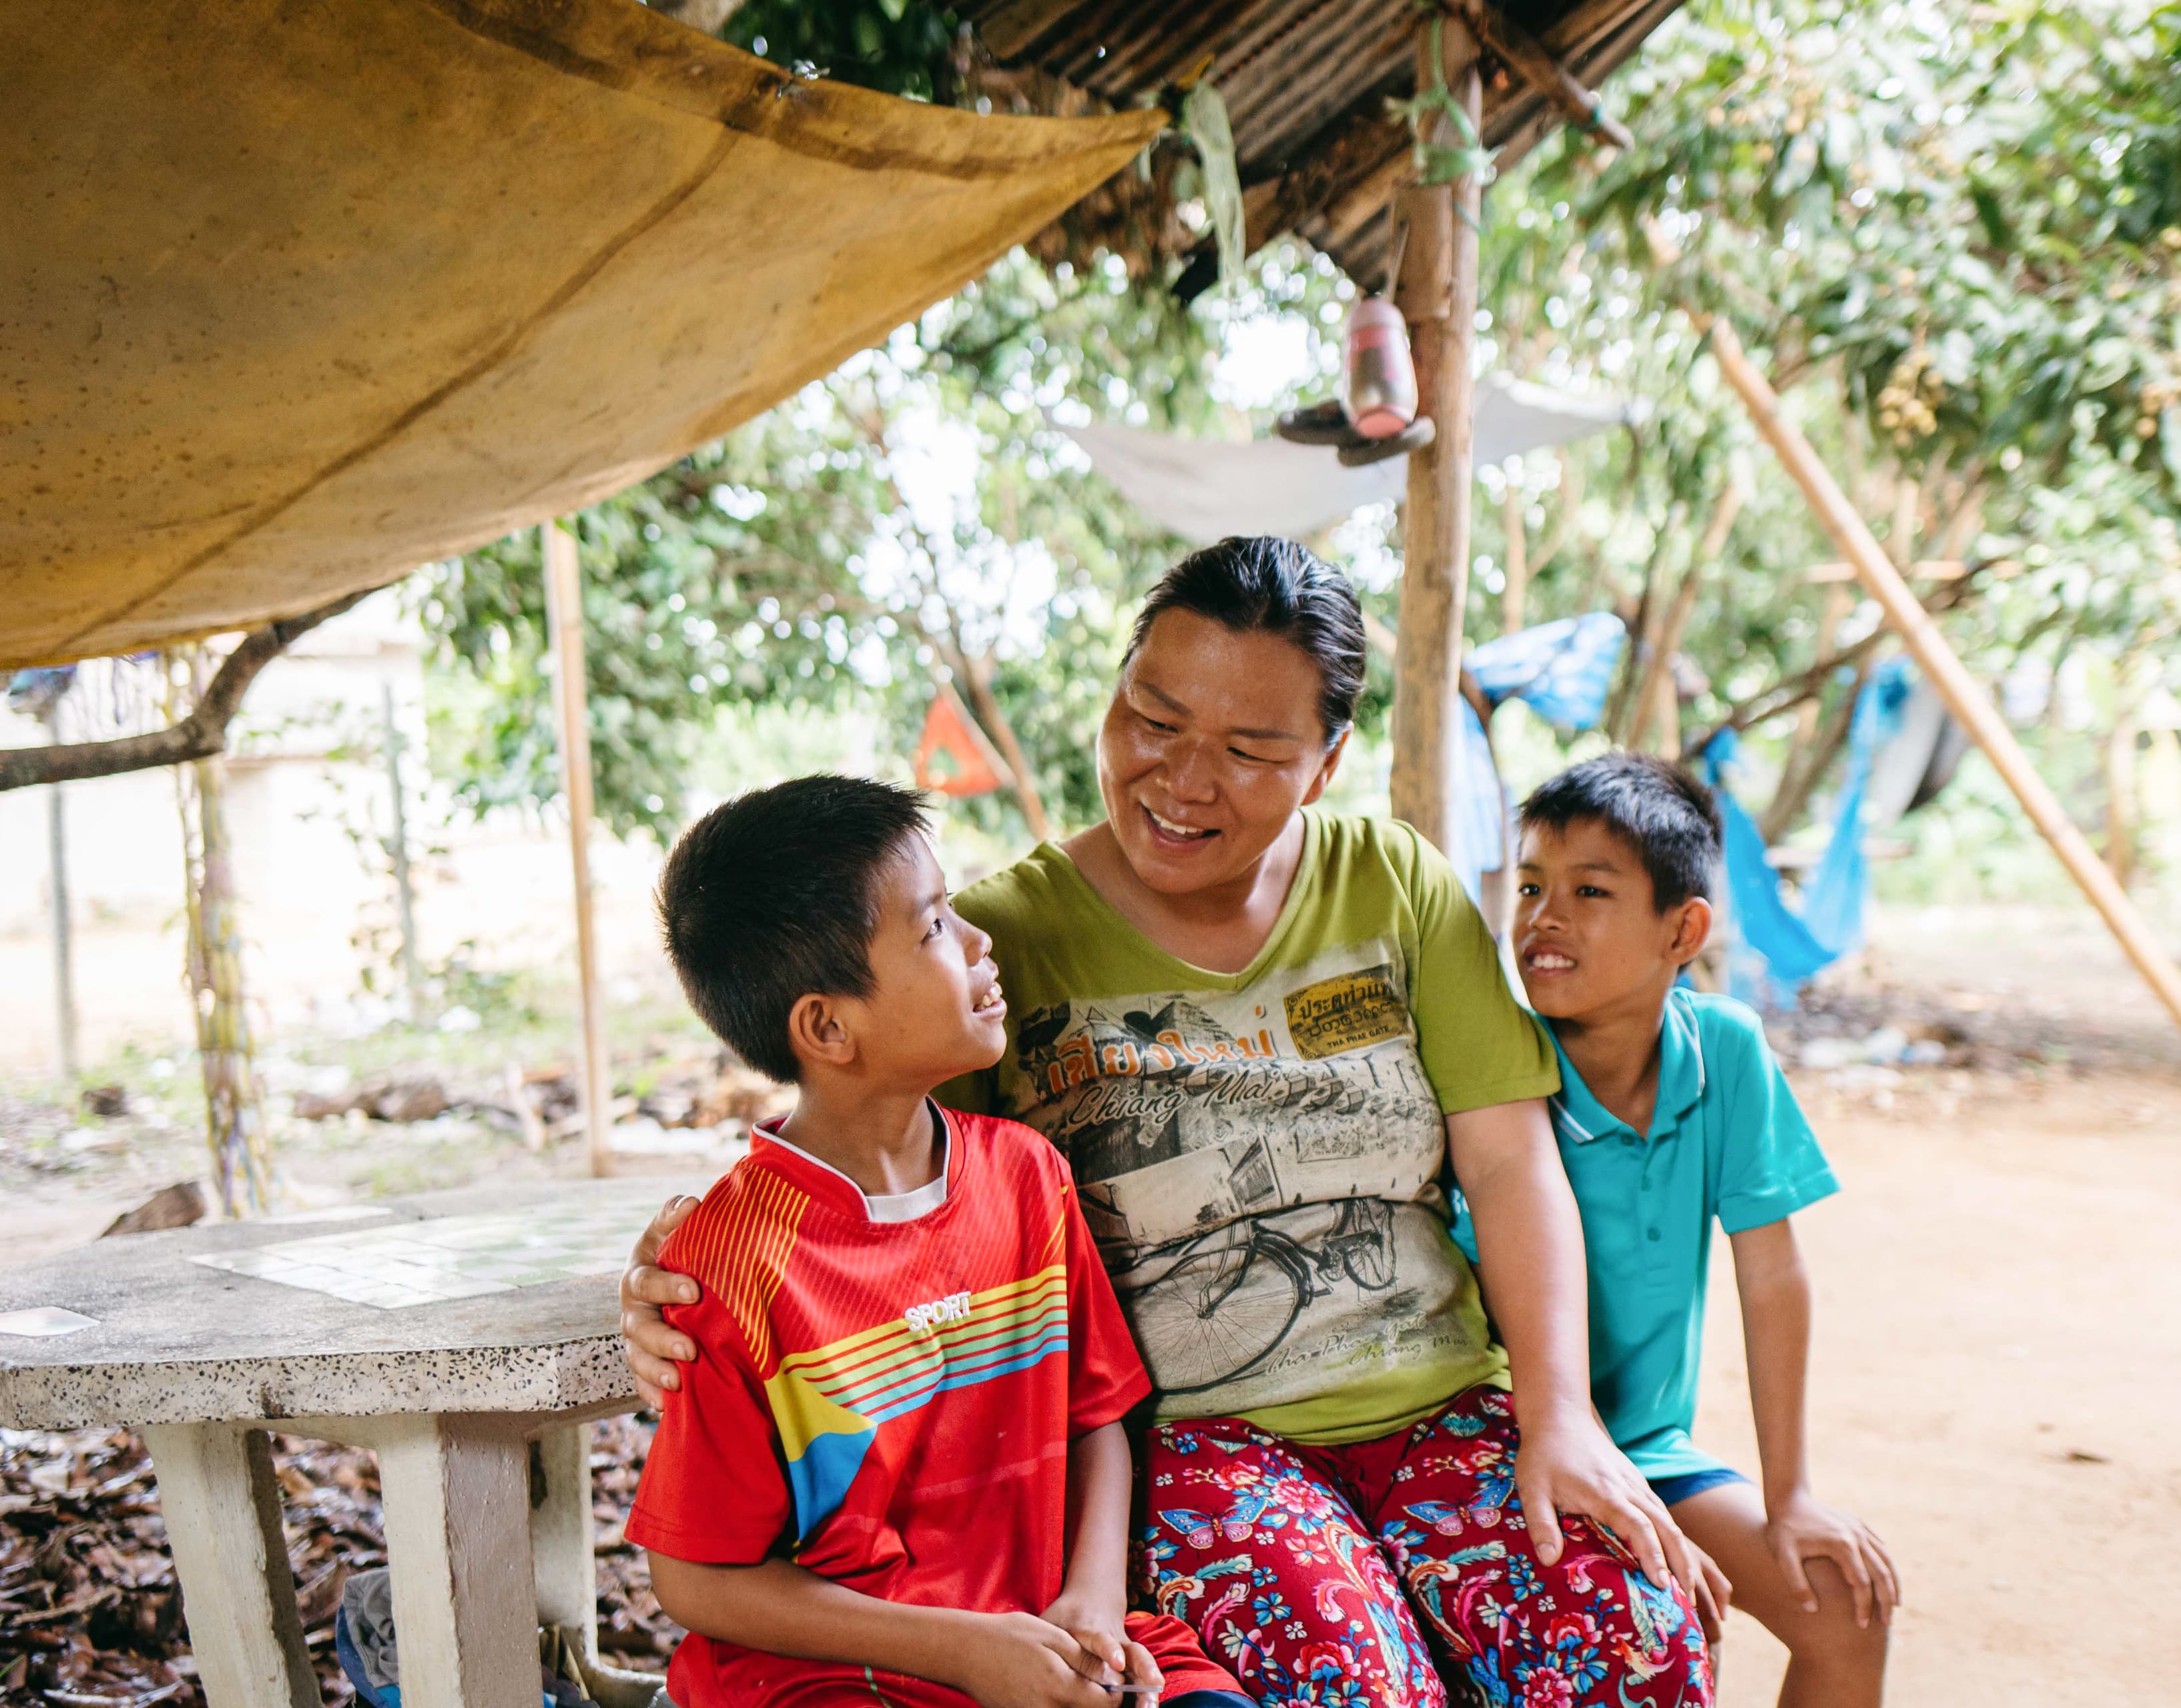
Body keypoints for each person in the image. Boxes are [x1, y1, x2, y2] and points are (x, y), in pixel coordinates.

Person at [623, 538, 1717, 1708]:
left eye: (1250, 752)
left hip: (1447, 1403)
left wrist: (1561, 1416)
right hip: (1202, 1445)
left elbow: (1509, 1164)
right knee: (1353, 1681)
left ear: (1327, 761)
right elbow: (867, 1155)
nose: (1183, 780)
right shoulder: (999, 947)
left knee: (1634, 1637)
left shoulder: (1396, 886)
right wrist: (677, 1268)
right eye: (1153, 718)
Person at [624, 775, 1251, 1708]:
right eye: (931, 929)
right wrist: (963, 1652)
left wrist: (1090, 1602)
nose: (978, 942)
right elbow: (696, 1579)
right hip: (846, 1673)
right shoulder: (729, 1267)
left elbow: (1095, 1419)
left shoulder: (1028, 1175)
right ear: (828, 1026)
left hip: (1047, 1632)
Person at [1501, 753, 1899, 1707]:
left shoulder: (1724, 1050)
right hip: (1515, 1447)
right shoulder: (1500, 1074)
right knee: (1662, 1616)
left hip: (1653, 1449)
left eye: (1589, 890)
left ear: (1682, 929)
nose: (1542, 918)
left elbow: (1772, 1276)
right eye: (1529, 886)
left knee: (1846, 1605)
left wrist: (1791, 1492)